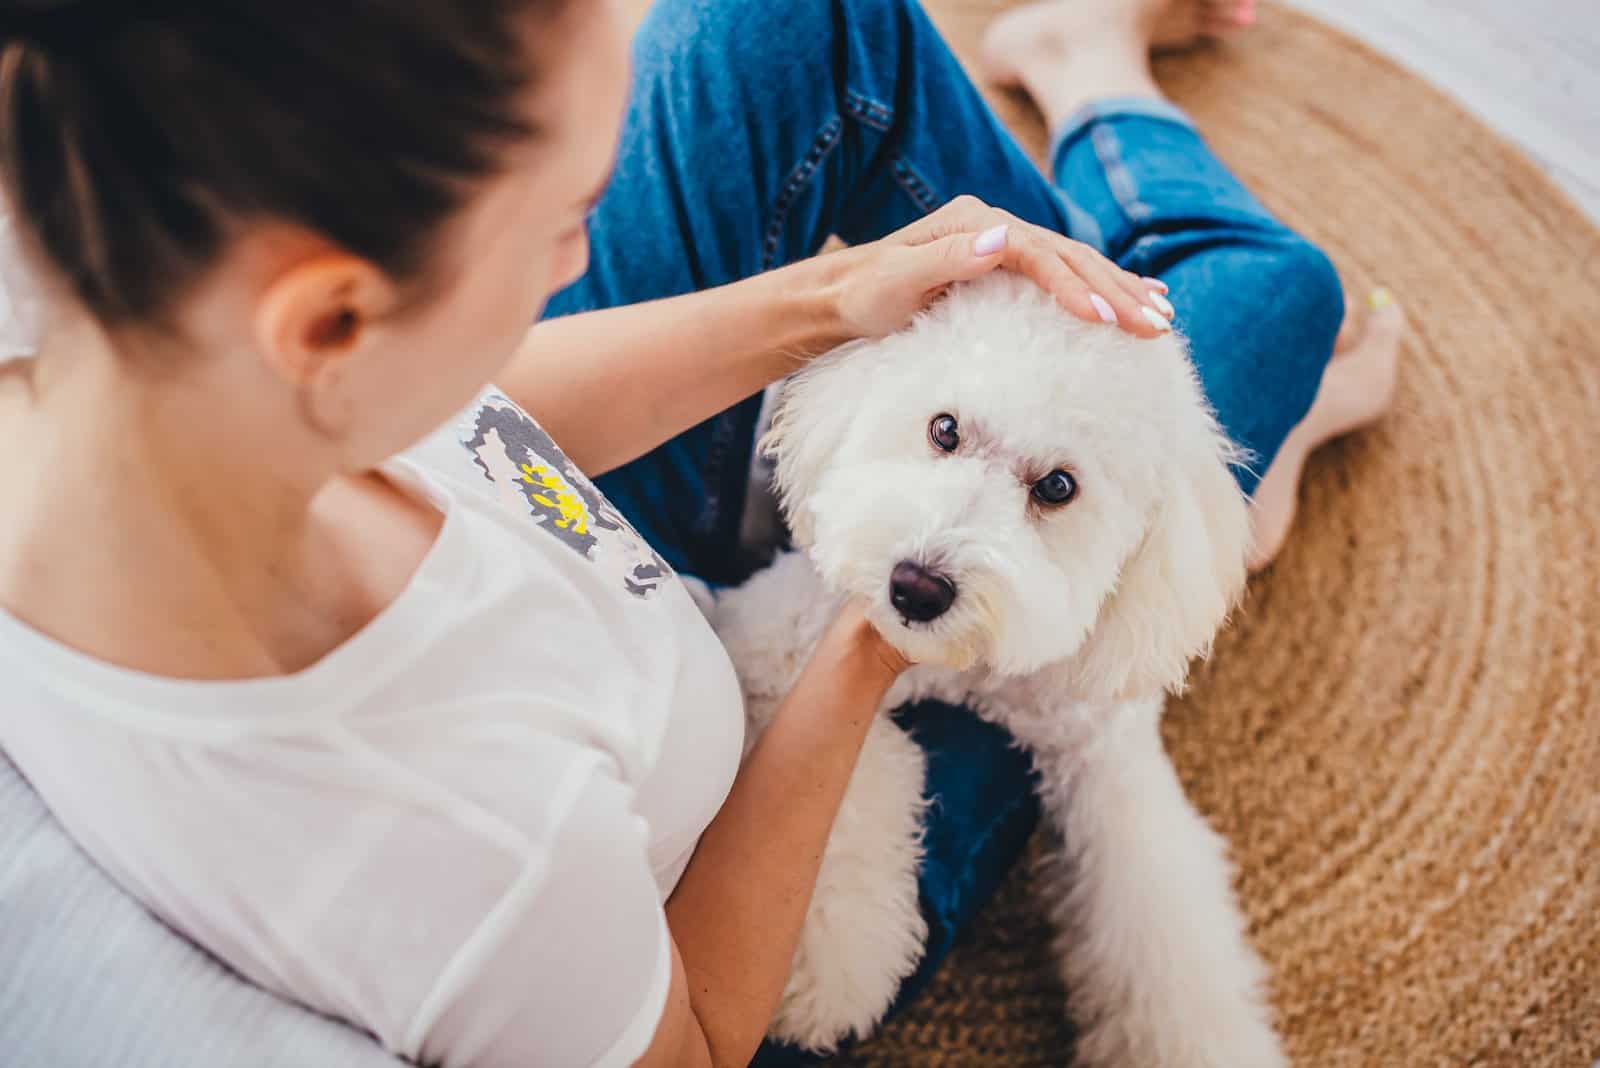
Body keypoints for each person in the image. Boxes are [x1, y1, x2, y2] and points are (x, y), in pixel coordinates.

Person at [0, 0, 1402, 1065]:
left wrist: (838, 298)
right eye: (566, 223)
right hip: (776, 791)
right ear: (333, 320)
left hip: (582, 534)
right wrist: (873, 631)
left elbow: (475, 417)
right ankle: (1098, 80)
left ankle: (1129, 452)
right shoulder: (483, 846)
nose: (578, 263)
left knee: (802, 19)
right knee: (1274, 298)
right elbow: (715, 1029)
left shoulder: (123, 321)